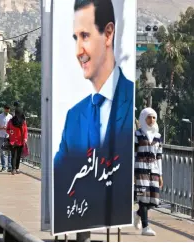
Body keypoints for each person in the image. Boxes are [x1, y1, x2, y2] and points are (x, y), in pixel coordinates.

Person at [52, 0, 134, 231]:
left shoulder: (130, 100)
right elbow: (61, 176)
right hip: (78, 211)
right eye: (75, 38)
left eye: (85, 36)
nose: (79, 51)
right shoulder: (74, 116)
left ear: (108, 34)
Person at [134, 107, 163, 236]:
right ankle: (145, 227)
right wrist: (133, 172)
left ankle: (138, 214)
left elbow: (159, 156)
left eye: (153, 117)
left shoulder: (158, 137)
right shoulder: (138, 134)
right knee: (143, 198)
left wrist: (160, 174)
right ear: (143, 118)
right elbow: (134, 153)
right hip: (140, 168)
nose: (151, 120)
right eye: (149, 117)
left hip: (154, 170)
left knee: (153, 200)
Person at [6, 107, 28, 175]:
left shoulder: (23, 122)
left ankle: (17, 168)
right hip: (13, 141)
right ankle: (13, 169)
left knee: (18, 156)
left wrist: (25, 138)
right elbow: (7, 129)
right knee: (13, 155)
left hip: (20, 141)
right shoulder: (11, 121)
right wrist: (10, 132)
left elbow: (25, 131)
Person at [0, 104, 13, 172]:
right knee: (2, 152)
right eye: (6, 109)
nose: (7, 110)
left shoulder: (11, 117)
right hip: (1, 136)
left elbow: (13, 127)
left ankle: (9, 166)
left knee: (9, 152)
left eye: (8, 109)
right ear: (4, 109)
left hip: (9, 137)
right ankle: (3, 166)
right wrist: (2, 128)